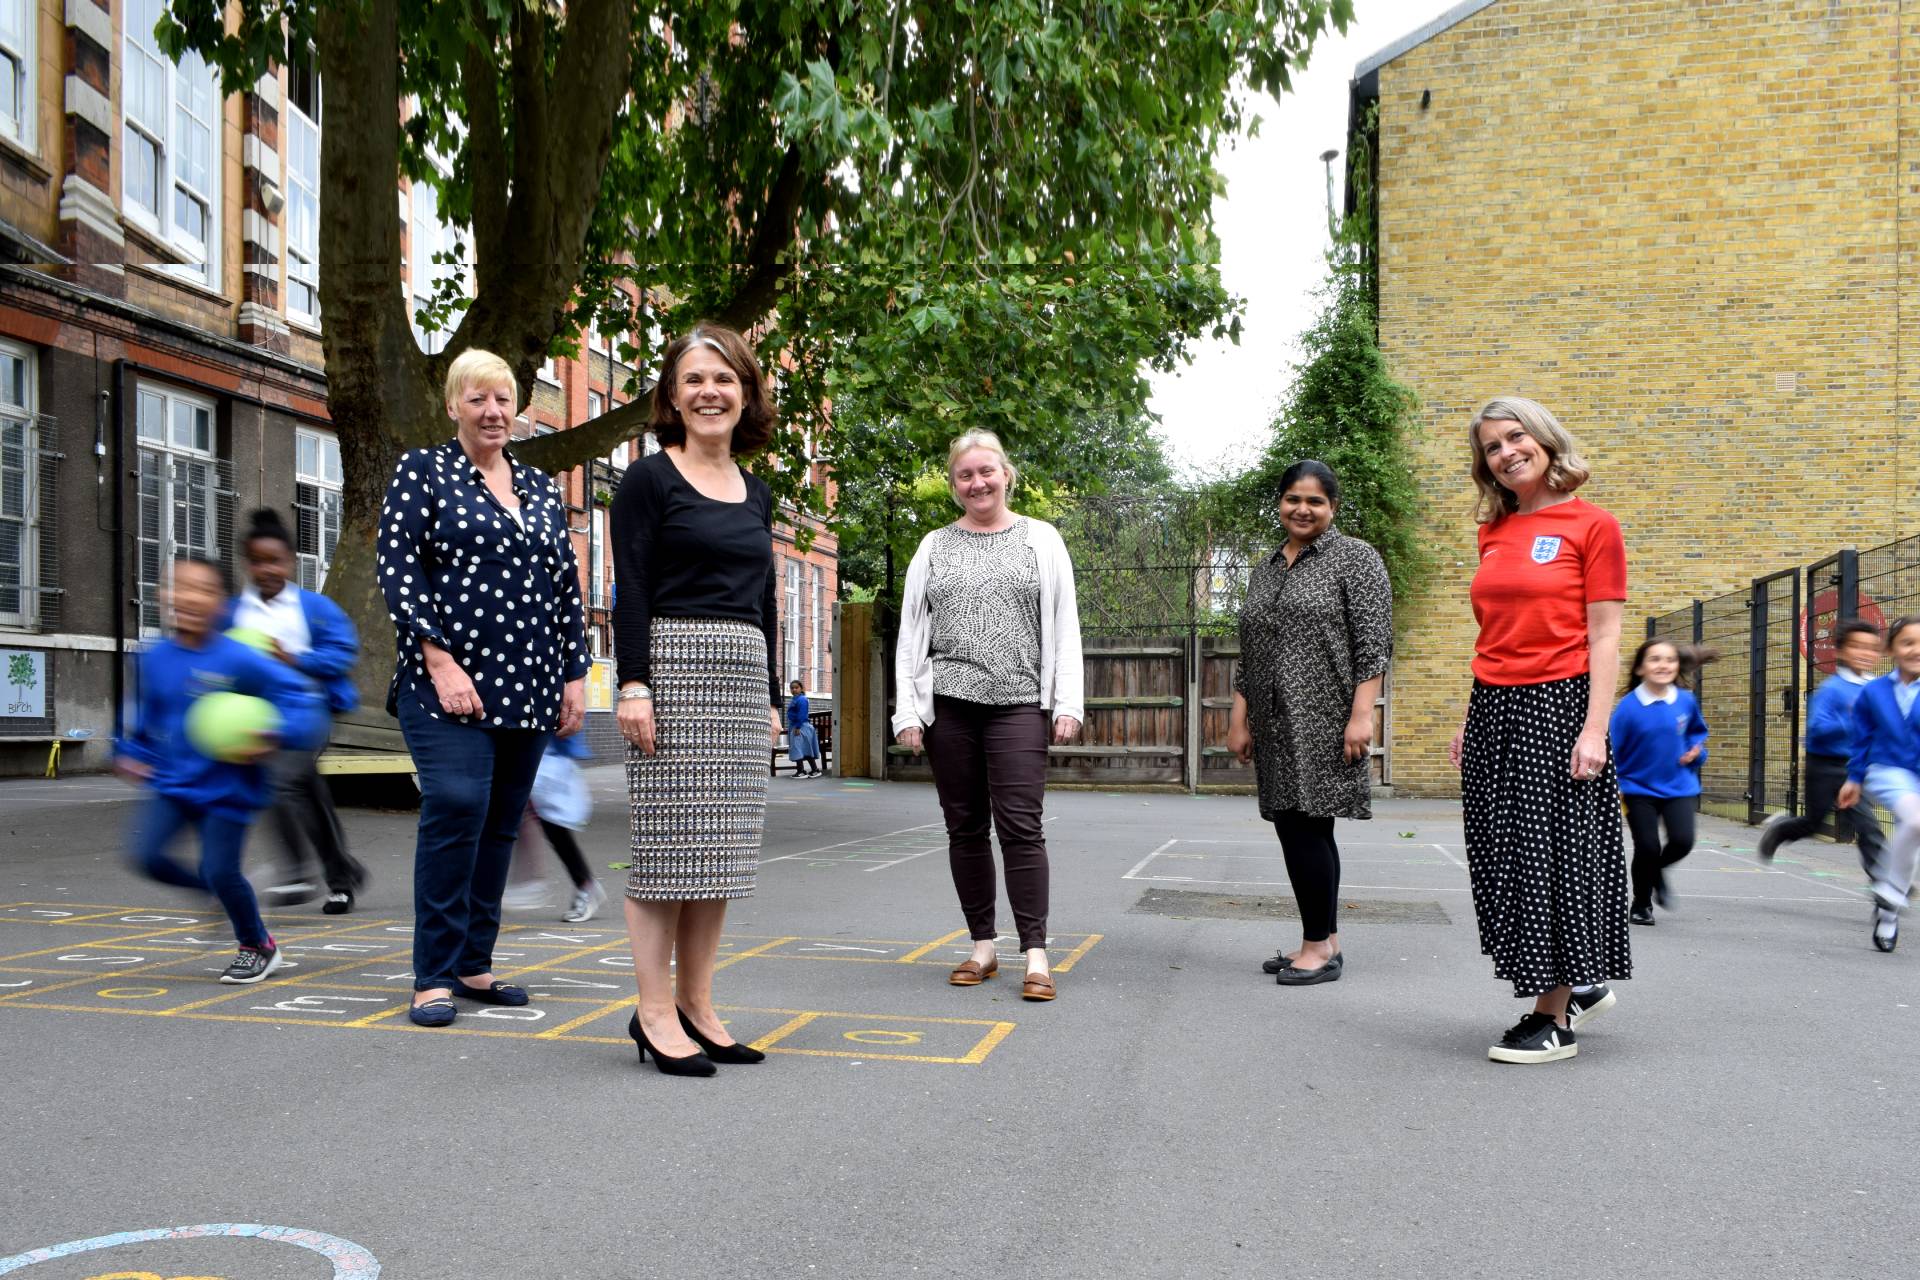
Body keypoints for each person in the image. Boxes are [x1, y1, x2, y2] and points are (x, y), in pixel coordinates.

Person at [378, 348, 589, 1028]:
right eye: (478, 399)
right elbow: (398, 569)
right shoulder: (423, 472)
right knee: (457, 804)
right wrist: (439, 660)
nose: (493, 410)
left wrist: (574, 675)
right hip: (448, 685)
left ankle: (474, 964)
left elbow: (564, 587)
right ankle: (432, 975)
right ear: (453, 406)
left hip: (528, 686)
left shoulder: (537, 487)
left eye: (503, 398)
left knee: (500, 827)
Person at [610, 322, 783, 1077]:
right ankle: (653, 1013)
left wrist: (773, 695)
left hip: (740, 676)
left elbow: (766, 597)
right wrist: (634, 684)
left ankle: (698, 1007)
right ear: (672, 397)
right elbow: (634, 588)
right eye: (694, 380)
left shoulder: (758, 491)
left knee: (717, 857)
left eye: (724, 379)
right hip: (673, 670)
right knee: (665, 856)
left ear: (744, 393)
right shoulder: (649, 479)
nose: (709, 392)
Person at [1446, 396, 1630, 1065]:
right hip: (1495, 704)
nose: (1506, 453)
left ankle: (1552, 1019)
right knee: (1502, 856)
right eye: (1492, 448)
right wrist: (1472, 717)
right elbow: (1492, 633)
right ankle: (1577, 979)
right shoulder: (1494, 531)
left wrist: (1596, 729)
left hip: (1560, 704)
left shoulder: (1593, 526)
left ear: (1546, 441)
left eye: (1515, 437)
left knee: (1547, 858)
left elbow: (1606, 635)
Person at [894, 429, 1084, 1002]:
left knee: (1022, 827)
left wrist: (1068, 702)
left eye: (986, 472)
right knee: (965, 828)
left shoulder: (1041, 540)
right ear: (954, 485)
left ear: (1006, 475)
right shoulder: (933, 546)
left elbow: (1066, 626)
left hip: (1019, 704)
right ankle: (982, 946)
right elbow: (910, 635)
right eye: (964, 475)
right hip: (949, 708)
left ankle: (1036, 953)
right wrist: (908, 711)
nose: (977, 483)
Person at [116, 555, 329, 984]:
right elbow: (141, 719)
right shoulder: (154, 658)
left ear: (220, 602)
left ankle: (259, 945)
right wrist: (128, 750)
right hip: (173, 782)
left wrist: (274, 731)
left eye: (204, 590)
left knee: (220, 868)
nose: (190, 598)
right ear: (164, 595)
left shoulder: (239, 659)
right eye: (180, 587)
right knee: (146, 856)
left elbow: (303, 703)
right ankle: (213, 895)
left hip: (230, 788)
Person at [1226, 460, 1392, 987]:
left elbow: (1374, 646)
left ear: (1333, 507)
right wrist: (1240, 718)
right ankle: (1328, 939)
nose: (1303, 509)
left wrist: (1362, 716)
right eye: (1294, 499)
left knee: (1304, 827)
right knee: (1304, 826)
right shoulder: (1267, 567)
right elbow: (1248, 654)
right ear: (1280, 503)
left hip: (1326, 717)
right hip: (1273, 721)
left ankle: (1316, 947)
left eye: (1315, 501)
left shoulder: (1356, 559)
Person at [228, 507, 369, 915]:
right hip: (258, 720)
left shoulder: (314, 609)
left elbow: (343, 653)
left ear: (289, 561)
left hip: (308, 712)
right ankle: (343, 877)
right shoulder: (236, 613)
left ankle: (295, 872)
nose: (266, 569)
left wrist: (296, 657)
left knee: (279, 783)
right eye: (257, 561)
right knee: (310, 798)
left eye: (274, 560)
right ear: (248, 564)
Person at [1757, 620, 1885, 878]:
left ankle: (1885, 883)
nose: (1865, 653)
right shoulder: (1832, 689)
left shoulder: (1878, 688)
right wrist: (1851, 720)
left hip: (1856, 769)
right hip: (1824, 765)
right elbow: (1817, 728)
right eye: (1857, 646)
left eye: (1871, 648)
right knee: (1812, 824)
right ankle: (1780, 830)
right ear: (1840, 652)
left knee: (1867, 826)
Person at [1609, 637, 1711, 926]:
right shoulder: (1629, 708)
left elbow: (1696, 733)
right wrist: (1612, 783)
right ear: (1640, 668)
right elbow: (1612, 749)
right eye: (1654, 659)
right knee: (1648, 847)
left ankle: (1657, 872)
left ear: (1677, 666)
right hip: (1637, 788)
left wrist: (1696, 752)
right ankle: (1641, 904)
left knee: (1682, 841)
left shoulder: (1685, 700)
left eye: (1669, 659)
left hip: (1679, 786)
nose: (1663, 665)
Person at [1838, 614, 1920, 952]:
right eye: (1908, 643)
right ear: (1891, 649)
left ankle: (1888, 914)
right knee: (1916, 821)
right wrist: (1853, 778)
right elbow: (1861, 740)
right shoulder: (1873, 691)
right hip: (1887, 771)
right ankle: (1890, 890)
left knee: (1912, 832)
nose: (1916, 650)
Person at [508, 733, 607, 923]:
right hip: (518, 739)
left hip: (542, 744)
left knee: (548, 820)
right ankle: (584, 884)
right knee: (538, 817)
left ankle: (584, 884)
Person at [786, 680, 823, 777]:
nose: (794, 690)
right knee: (805, 748)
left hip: (801, 727)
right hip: (798, 726)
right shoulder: (796, 699)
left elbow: (801, 714)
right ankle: (814, 770)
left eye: (796, 687)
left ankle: (801, 771)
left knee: (798, 748)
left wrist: (798, 726)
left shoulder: (801, 699)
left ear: (801, 688)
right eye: (792, 688)